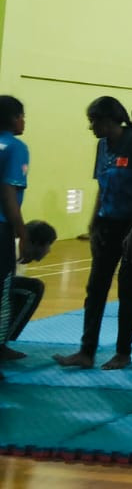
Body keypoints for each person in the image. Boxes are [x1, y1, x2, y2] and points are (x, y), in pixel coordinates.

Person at [54, 97, 132, 372]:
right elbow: (102, 186)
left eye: (94, 121)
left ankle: (123, 352)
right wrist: (93, 222)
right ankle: (86, 351)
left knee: (128, 289)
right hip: (107, 224)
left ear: (110, 120)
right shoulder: (102, 146)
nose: (91, 127)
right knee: (96, 288)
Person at [0, 95, 31, 375]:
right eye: (22, 116)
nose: (24, 121)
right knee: (2, 291)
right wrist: (22, 234)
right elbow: (8, 193)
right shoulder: (16, 147)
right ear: (12, 118)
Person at [2, 221, 56, 362]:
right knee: (33, 289)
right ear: (36, 244)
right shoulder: (10, 252)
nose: (49, 251)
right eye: (48, 245)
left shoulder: (19, 255)